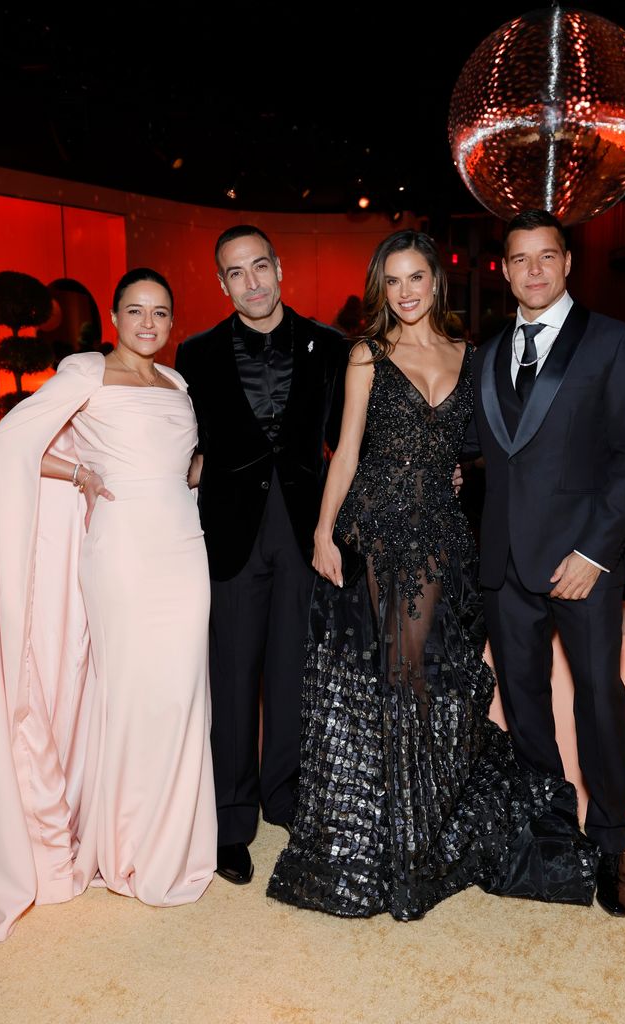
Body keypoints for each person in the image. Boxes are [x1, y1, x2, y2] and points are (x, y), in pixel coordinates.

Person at [268, 229, 598, 921]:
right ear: (380, 289)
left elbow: (485, 446)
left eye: (416, 277)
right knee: (392, 681)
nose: (406, 292)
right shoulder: (366, 353)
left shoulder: (468, 356)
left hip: (443, 539)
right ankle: (396, 843)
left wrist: (462, 470)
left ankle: (416, 828)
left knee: (431, 683)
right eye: (393, 281)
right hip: (376, 531)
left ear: (434, 283)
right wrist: (323, 532)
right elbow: (346, 451)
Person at [0, 269, 216, 940]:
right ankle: (122, 848)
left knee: (182, 695)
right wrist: (79, 471)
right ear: (113, 317)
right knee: (131, 695)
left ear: (171, 322)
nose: (148, 323)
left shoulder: (179, 384)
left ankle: (170, 846)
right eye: (135, 310)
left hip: (183, 547)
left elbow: (186, 466)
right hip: (122, 553)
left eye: (160, 313)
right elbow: (7, 444)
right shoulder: (85, 373)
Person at [468, 210, 625, 917]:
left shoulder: (613, 343)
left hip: (581, 564)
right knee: (524, 706)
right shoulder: (486, 355)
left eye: (546, 256)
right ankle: (551, 828)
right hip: (505, 569)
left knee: (598, 701)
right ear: (505, 270)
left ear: (567, 262)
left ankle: (609, 845)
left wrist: (593, 552)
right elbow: (490, 455)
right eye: (520, 259)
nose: (533, 270)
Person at [175, 226, 347, 885]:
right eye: (235, 273)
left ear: (279, 269)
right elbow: (180, 436)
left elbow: (346, 441)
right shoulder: (194, 354)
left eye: (259, 267)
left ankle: (285, 797)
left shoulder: (329, 347)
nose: (251, 282)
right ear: (221, 284)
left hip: (304, 530)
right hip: (231, 534)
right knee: (233, 678)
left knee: (289, 676)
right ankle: (230, 820)